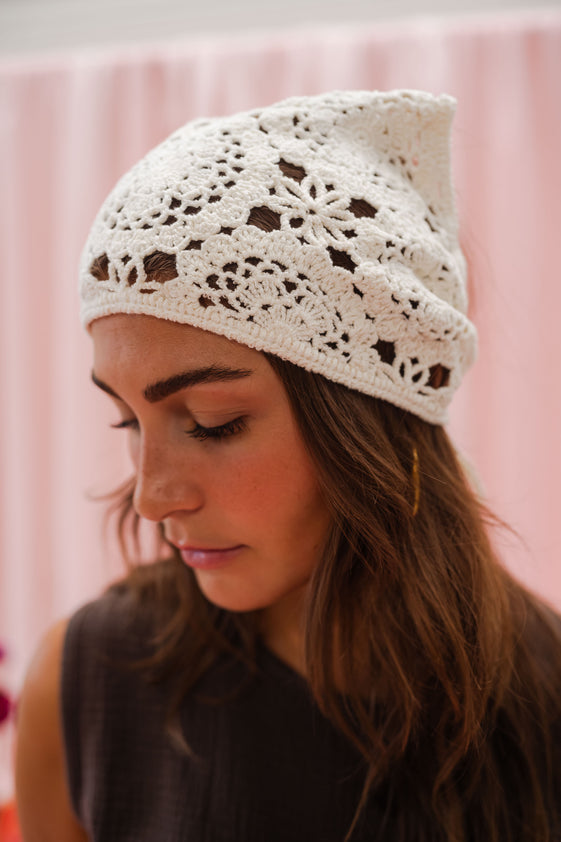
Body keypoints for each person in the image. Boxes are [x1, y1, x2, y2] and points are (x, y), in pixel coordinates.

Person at [14, 90, 561, 842]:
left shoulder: (543, 698)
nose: (151, 499)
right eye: (127, 420)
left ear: (371, 418)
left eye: (213, 423)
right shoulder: (85, 682)